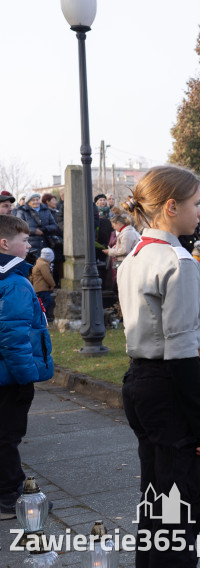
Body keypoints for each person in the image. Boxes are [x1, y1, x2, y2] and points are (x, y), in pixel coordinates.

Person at [117, 165, 200, 567]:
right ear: (172, 207)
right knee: (183, 505)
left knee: (158, 502)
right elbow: (181, 350)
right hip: (173, 385)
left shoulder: (136, 255)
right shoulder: (177, 263)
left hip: (143, 381)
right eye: (197, 204)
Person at [0, 215, 54, 522]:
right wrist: (25, 378)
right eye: (24, 240)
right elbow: (13, 335)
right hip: (12, 377)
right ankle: (10, 497)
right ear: (5, 244)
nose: (29, 244)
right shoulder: (16, 282)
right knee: (7, 436)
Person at [15, 193, 59, 259]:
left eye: (37, 200)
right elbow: (18, 227)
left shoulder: (46, 210)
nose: (36, 202)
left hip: (46, 244)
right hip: (30, 245)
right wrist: (34, 231)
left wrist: (45, 229)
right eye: (33, 200)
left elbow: (54, 226)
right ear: (28, 202)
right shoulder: (22, 211)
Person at [31, 247, 57, 321]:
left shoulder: (37, 262)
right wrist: (53, 284)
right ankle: (42, 315)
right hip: (42, 288)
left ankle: (43, 316)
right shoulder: (43, 265)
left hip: (36, 287)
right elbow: (47, 276)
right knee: (48, 301)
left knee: (42, 302)